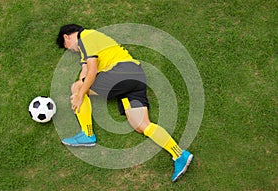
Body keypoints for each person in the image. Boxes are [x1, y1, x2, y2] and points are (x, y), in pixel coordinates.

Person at [56, 24, 193, 182]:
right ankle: (179, 154)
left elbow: (92, 71)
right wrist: (80, 89)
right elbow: (85, 72)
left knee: (77, 88)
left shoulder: (85, 37)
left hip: (122, 72)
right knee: (141, 125)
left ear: (67, 37)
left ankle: (87, 134)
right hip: (134, 76)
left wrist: (79, 93)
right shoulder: (87, 46)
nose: (71, 50)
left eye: (67, 47)